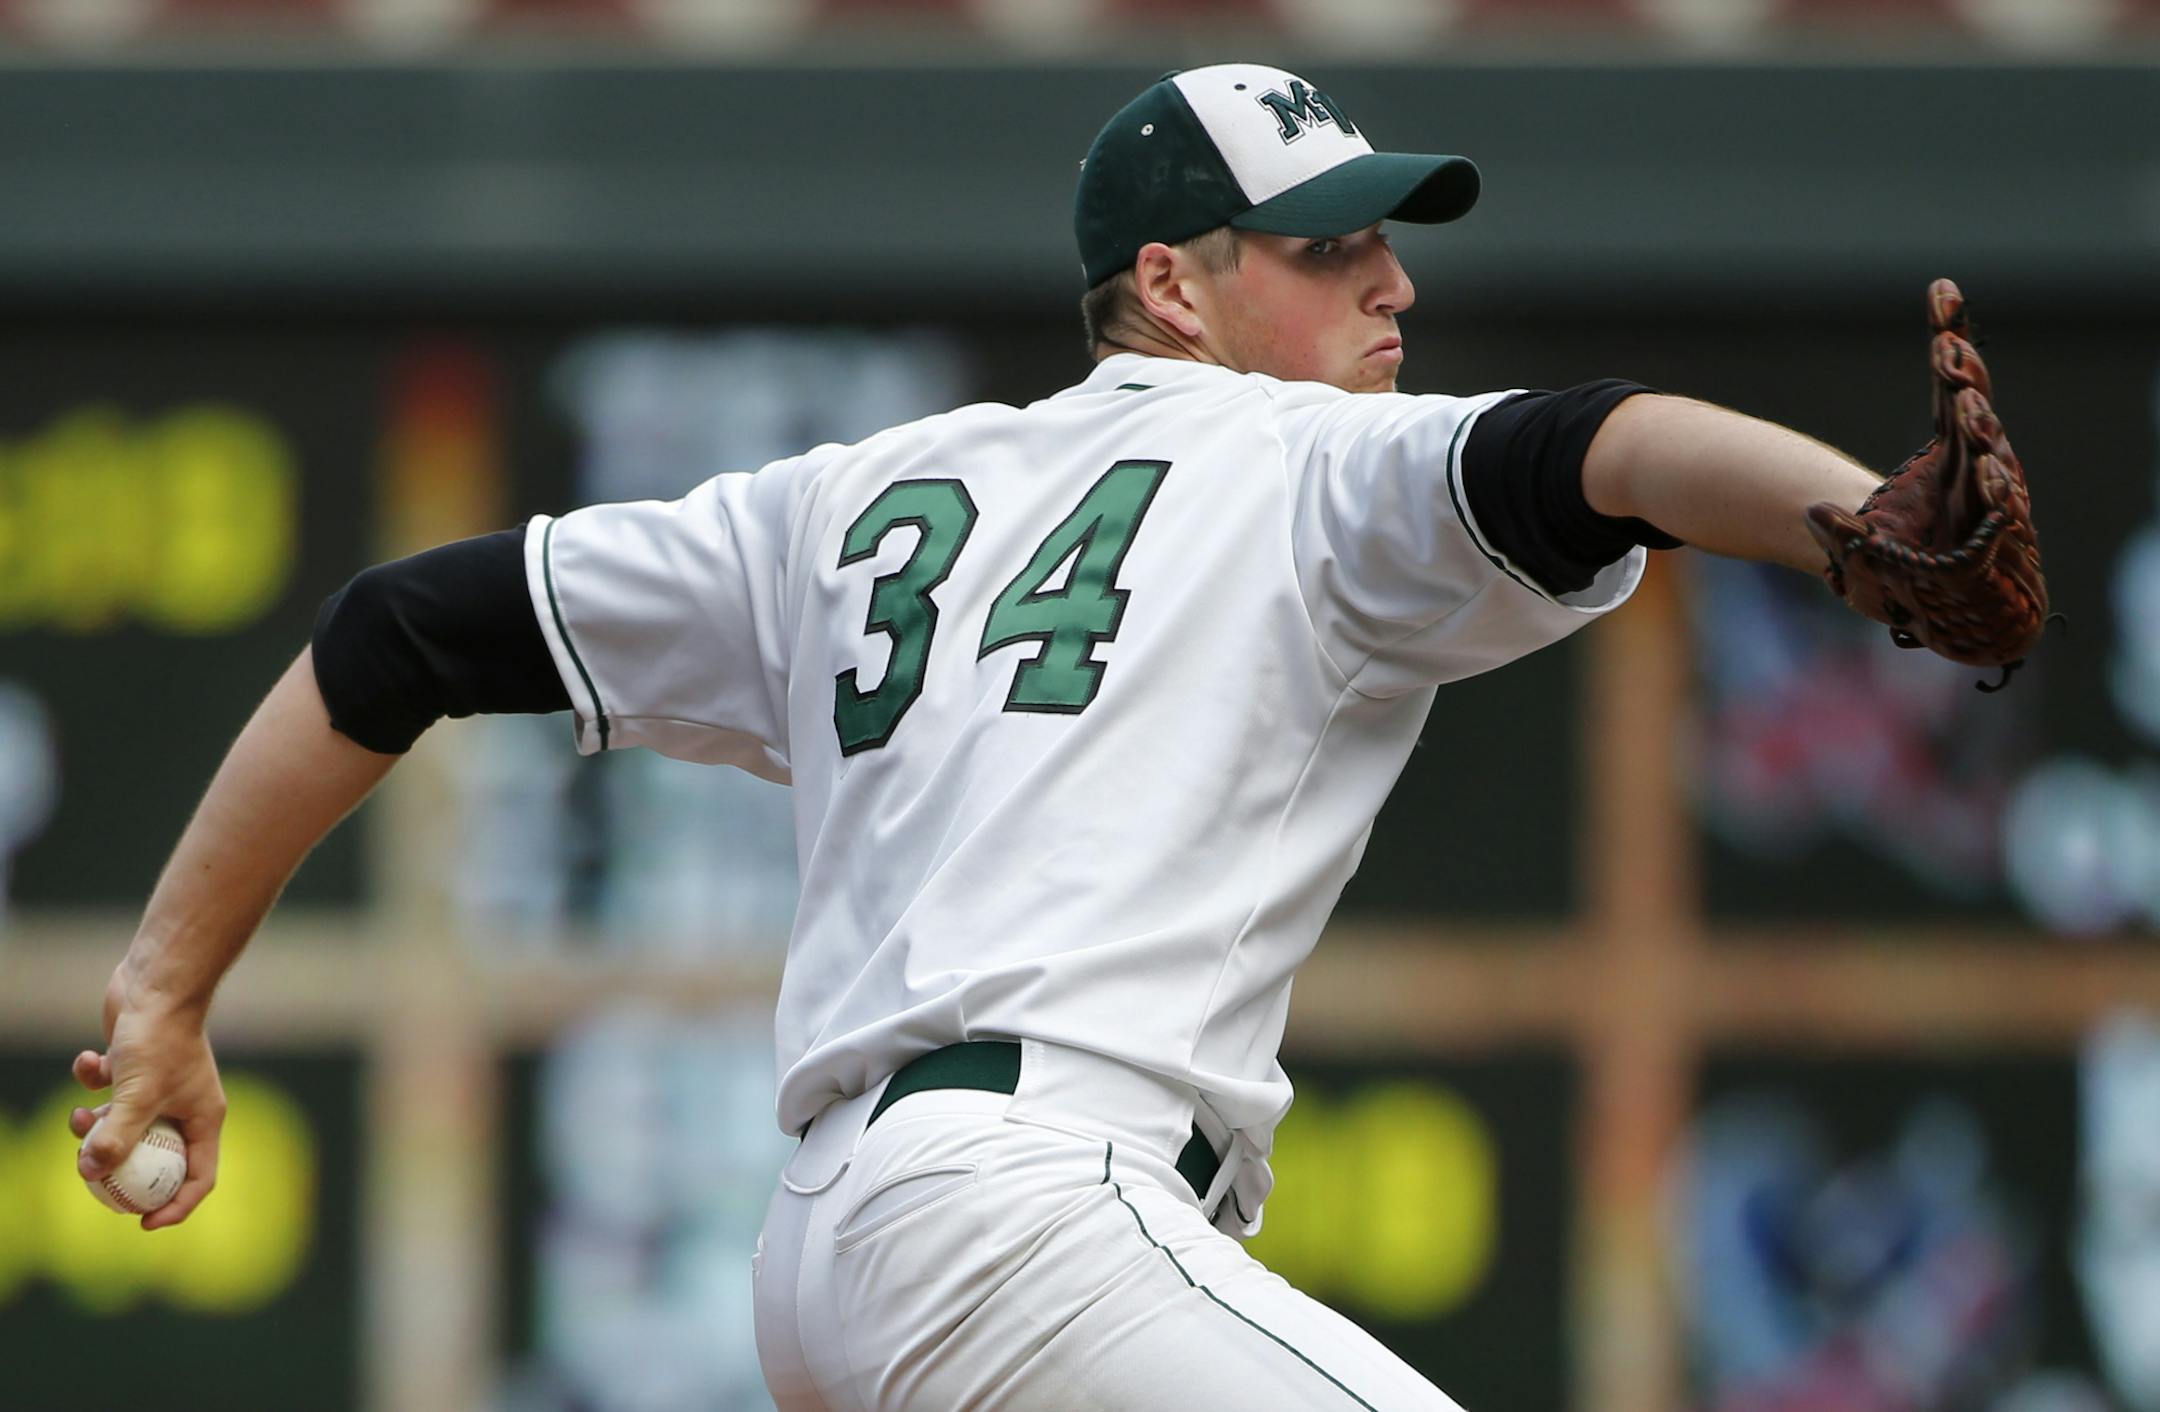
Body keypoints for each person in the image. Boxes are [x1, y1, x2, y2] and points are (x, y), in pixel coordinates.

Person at [76, 62, 1922, 1410]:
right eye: (1327, 244)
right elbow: (1604, 450)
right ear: (1175, 290)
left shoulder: (851, 498)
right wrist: (1865, 527)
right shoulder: (1298, 457)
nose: (1393, 288)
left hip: (830, 1258)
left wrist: (163, 998)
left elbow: (395, 631)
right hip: (1027, 1223)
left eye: (1386, 243)